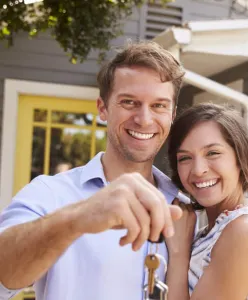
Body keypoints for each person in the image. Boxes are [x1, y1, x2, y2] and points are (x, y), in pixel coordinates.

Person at [0, 41, 188, 300]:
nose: (144, 119)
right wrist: (79, 217)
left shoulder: (188, 206)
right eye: (129, 102)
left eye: (159, 106)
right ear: (102, 108)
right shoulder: (50, 194)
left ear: (172, 114)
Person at [163, 103, 248, 299]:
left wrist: (178, 254)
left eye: (212, 153)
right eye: (185, 158)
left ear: (240, 157)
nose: (198, 170)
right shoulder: (206, 233)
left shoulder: (245, 231)